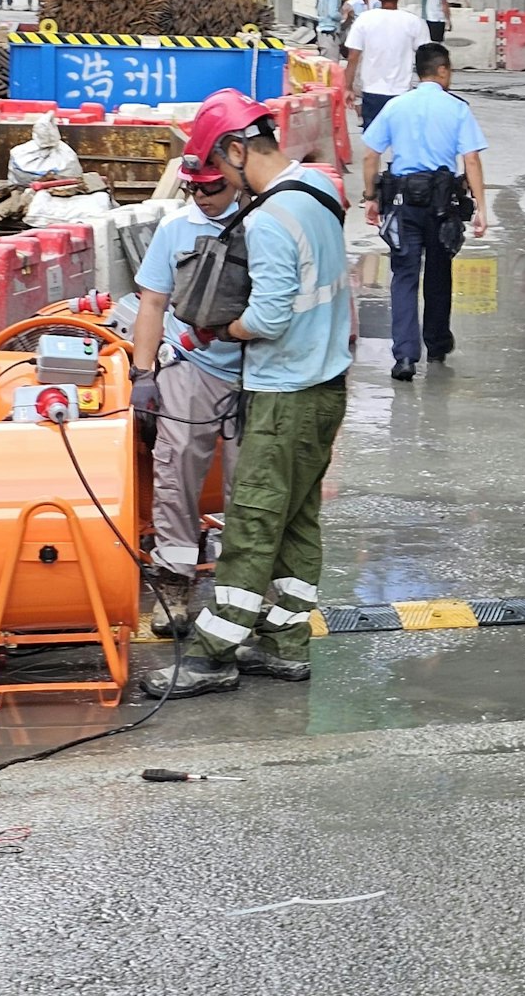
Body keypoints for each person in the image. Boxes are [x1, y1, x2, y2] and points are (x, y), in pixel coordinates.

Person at [140, 89, 351, 699]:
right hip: (325, 386)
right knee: (296, 523)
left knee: (252, 522)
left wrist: (215, 330)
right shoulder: (319, 187)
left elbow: (268, 318)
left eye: (218, 167)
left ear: (236, 150)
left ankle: (213, 654)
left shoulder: (267, 219)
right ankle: (284, 643)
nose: (220, 183)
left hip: (285, 392)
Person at [127, 166, 245, 635]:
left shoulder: (264, 224)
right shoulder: (176, 229)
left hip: (255, 370)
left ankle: (242, 588)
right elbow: (153, 303)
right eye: (193, 187)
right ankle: (174, 580)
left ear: (236, 177)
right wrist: (143, 373)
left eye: (212, 187)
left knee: (249, 481)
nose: (201, 196)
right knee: (175, 469)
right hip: (190, 364)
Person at [361, 43, 490, 381]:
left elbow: (370, 155)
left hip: (402, 204)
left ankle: (405, 357)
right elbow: (471, 160)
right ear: (443, 70)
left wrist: (371, 197)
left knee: (404, 276)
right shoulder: (457, 108)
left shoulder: (395, 106)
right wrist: (481, 207)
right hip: (441, 205)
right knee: (438, 272)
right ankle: (436, 344)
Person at [343, 0, 427, 130]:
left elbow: (353, 57)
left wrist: (347, 87)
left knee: (373, 139)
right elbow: (425, 58)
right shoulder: (414, 22)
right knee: (401, 138)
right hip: (402, 93)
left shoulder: (364, 20)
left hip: (372, 91)